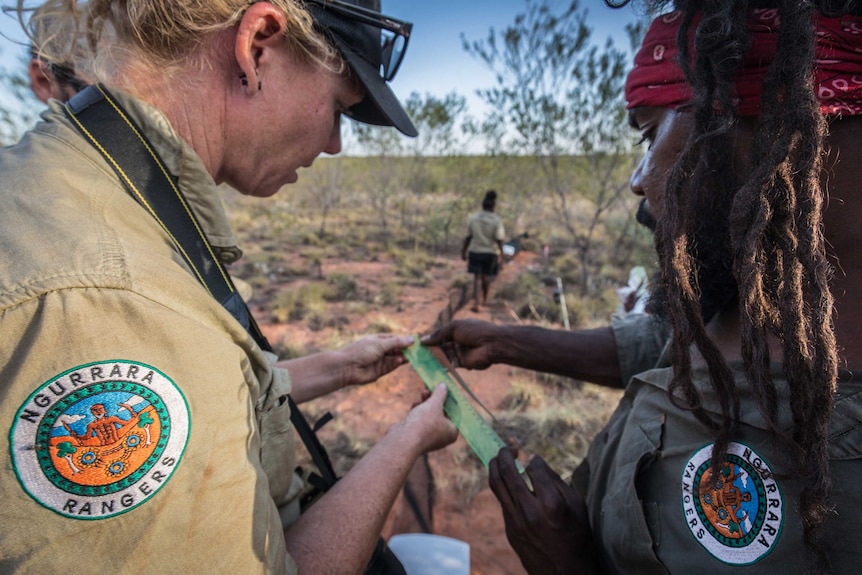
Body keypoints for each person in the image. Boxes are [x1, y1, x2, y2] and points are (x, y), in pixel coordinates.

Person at [0, 1, 458, 573]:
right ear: (258, 47)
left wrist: (336, 367)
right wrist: (407, 439)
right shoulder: (115, 304)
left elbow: (206, 396)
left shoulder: (98, 183)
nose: (336, 143)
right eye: (340, 107)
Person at [435, 2, 862, 573]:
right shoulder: (746, 308)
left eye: (651, 130)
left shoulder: (828, 477)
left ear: (783, 136)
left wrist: (569, 565)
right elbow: (664, 344)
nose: (638, 180)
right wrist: (504, 342)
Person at [462, 189, 505, 313]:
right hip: (490, 252)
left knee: (477, 277)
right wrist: (502, 255)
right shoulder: (496, 220)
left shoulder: (473, 218)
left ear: (482, 205)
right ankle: (484, 298)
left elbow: (468, 237)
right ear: (493, 206)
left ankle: (476, 302)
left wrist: (463, 252)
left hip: (475, 251)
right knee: (486, 276)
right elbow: (499, 239)